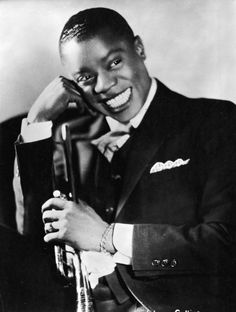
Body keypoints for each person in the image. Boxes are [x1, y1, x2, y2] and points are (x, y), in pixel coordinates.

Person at [14, 7, 236, 312]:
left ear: (139, 49)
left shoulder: (213, 120)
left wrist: (107, 237)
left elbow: (226, 243)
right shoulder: (71, 138)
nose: (104, 85)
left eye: (114, 62)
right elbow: (33, 240)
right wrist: (37, 120)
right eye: (86, 77)